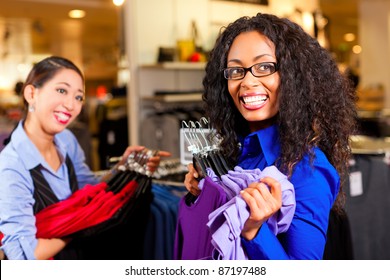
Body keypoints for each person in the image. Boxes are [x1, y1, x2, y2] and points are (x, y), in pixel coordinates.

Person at [184, 13, 357, 259]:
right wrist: (205, 195)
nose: (247, 81)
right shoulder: (238, 151)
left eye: (264, 67)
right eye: (235, 70)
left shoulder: (308, 170)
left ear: (294, 77)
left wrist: (254, 231)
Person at [0, 56, 171, 260]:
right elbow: (24, 256)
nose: (71, 105)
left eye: (78, 97)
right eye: (62, 90)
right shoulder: (11, 166)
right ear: (31, 93)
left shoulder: (66, 140)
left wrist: (123, 167)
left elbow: (86, 187)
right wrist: (78, 226)